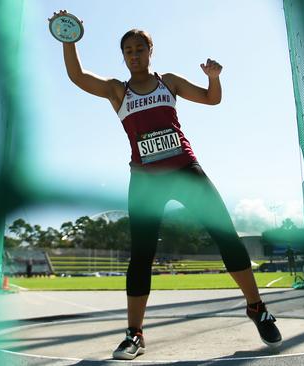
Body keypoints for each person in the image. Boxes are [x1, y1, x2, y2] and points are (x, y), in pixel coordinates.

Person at [54, 10, 282, 360]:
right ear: (124, 56)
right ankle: (134, 334)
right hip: (146, 181)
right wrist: (69, 40)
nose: (134, 54)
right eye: (128, 50)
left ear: (150, 51)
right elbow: (76, 76)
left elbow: (211, 98)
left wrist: (215, 77)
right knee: (141, 256)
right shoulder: (118, 91)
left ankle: (257, 307)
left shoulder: (169, 82)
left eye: (140, 48)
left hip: (186, 171)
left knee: (227, 238)